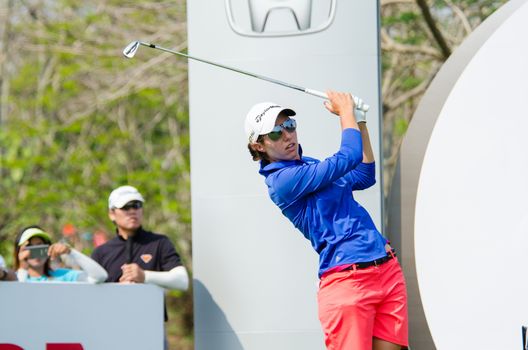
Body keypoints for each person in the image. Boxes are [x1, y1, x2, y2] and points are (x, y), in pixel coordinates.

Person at [245, 91, 408, 350]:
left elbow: (365, 175)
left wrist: (361, 122)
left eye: (289, 125)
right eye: (276, 132)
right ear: (259, 146)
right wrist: (346, 114)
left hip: (385, 270)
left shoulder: (310, 166)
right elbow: (348, 157)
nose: (288, 134)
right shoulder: (282, 182)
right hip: (347, 282)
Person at [91, 185, 189, 290]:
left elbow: (182, 281)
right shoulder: (101, 253)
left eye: (137, 205)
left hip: (152, 307)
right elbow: (91, 290)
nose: (132, 211)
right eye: (126, 207)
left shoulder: (159, 243)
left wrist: (144, 276)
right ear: (112, 214)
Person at [14, 226, 108, 283]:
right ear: (19, 252)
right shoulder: (11, 278)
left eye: (40, 247)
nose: (34, 253)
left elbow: (100, 276)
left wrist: (71, 252)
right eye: (29, 248)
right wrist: (22, 268)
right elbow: (18, 295)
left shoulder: (63, 276)